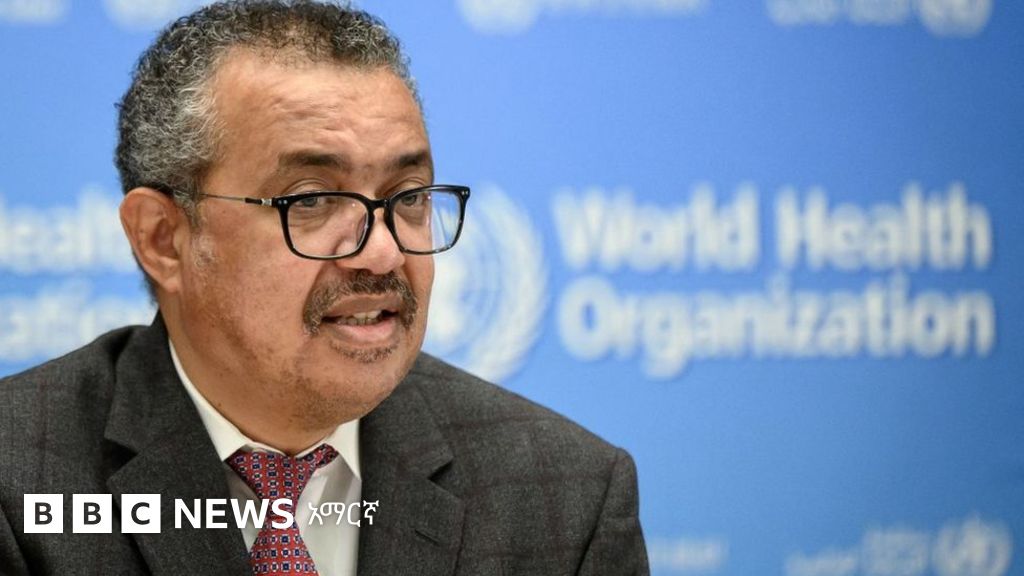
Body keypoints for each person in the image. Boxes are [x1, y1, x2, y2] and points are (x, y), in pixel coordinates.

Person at [0, 1, 648, 574]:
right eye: (310, 199)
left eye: (408, 196)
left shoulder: (565, 497)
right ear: (164, 239)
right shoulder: (18, 485)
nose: (384, 250)